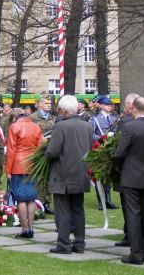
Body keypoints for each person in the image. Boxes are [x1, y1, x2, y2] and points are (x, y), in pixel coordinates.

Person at [113, 97, 144, 265]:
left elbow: (120, 153)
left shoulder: (129, 127)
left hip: (131, 175)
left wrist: (121, 167)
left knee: (133, 214)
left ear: (134, 108)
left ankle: (136, 254)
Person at [45, 95, 93, 254]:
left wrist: (46, 152)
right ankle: (79, 244)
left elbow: (52, 152)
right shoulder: (87, 126)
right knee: (78, 210)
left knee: (63, 210)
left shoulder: (61, 126)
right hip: (81, 173)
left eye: (59, 109)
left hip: (63, 174)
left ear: (64, 111)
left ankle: (64, 244)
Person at [5, 108, 43, 238]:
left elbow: (11, 150)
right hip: (32, 164)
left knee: (20, 198)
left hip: (18, 164)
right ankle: (31, 228)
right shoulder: (36, 126)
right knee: (31, 198)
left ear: (15, 117)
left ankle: (24, 228)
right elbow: (40, 148)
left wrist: (8, 170)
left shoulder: (14, 127)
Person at [113, 92, 140, 247]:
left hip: (127, 170)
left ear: (130, 105)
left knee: (128, 205)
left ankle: (130, 234)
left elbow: (119, 147)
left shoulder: (124, 122)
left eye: (125, 103)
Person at [89, 95, 119, 210]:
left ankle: (108, 199)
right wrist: (102, 137)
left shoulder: (114, 118)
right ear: (100, 105)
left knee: (108, 175)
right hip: (99, 149)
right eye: (107, 104)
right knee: (99, 175)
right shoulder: (94, 118)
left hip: (110, 150)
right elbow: (91, 134)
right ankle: (101, 201)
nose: (109, 106)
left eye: (110, 104)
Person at [29, 96, 55, 214]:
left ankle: (47, 202)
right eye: (46, 103)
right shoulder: (32, 118)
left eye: (50, 103)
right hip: (37, 151)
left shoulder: (53, 118)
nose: (49, 105)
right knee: (38, 177)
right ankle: (38, 202)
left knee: (49, 177)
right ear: (39, 104)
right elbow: (28, 133)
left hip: (50, 150)